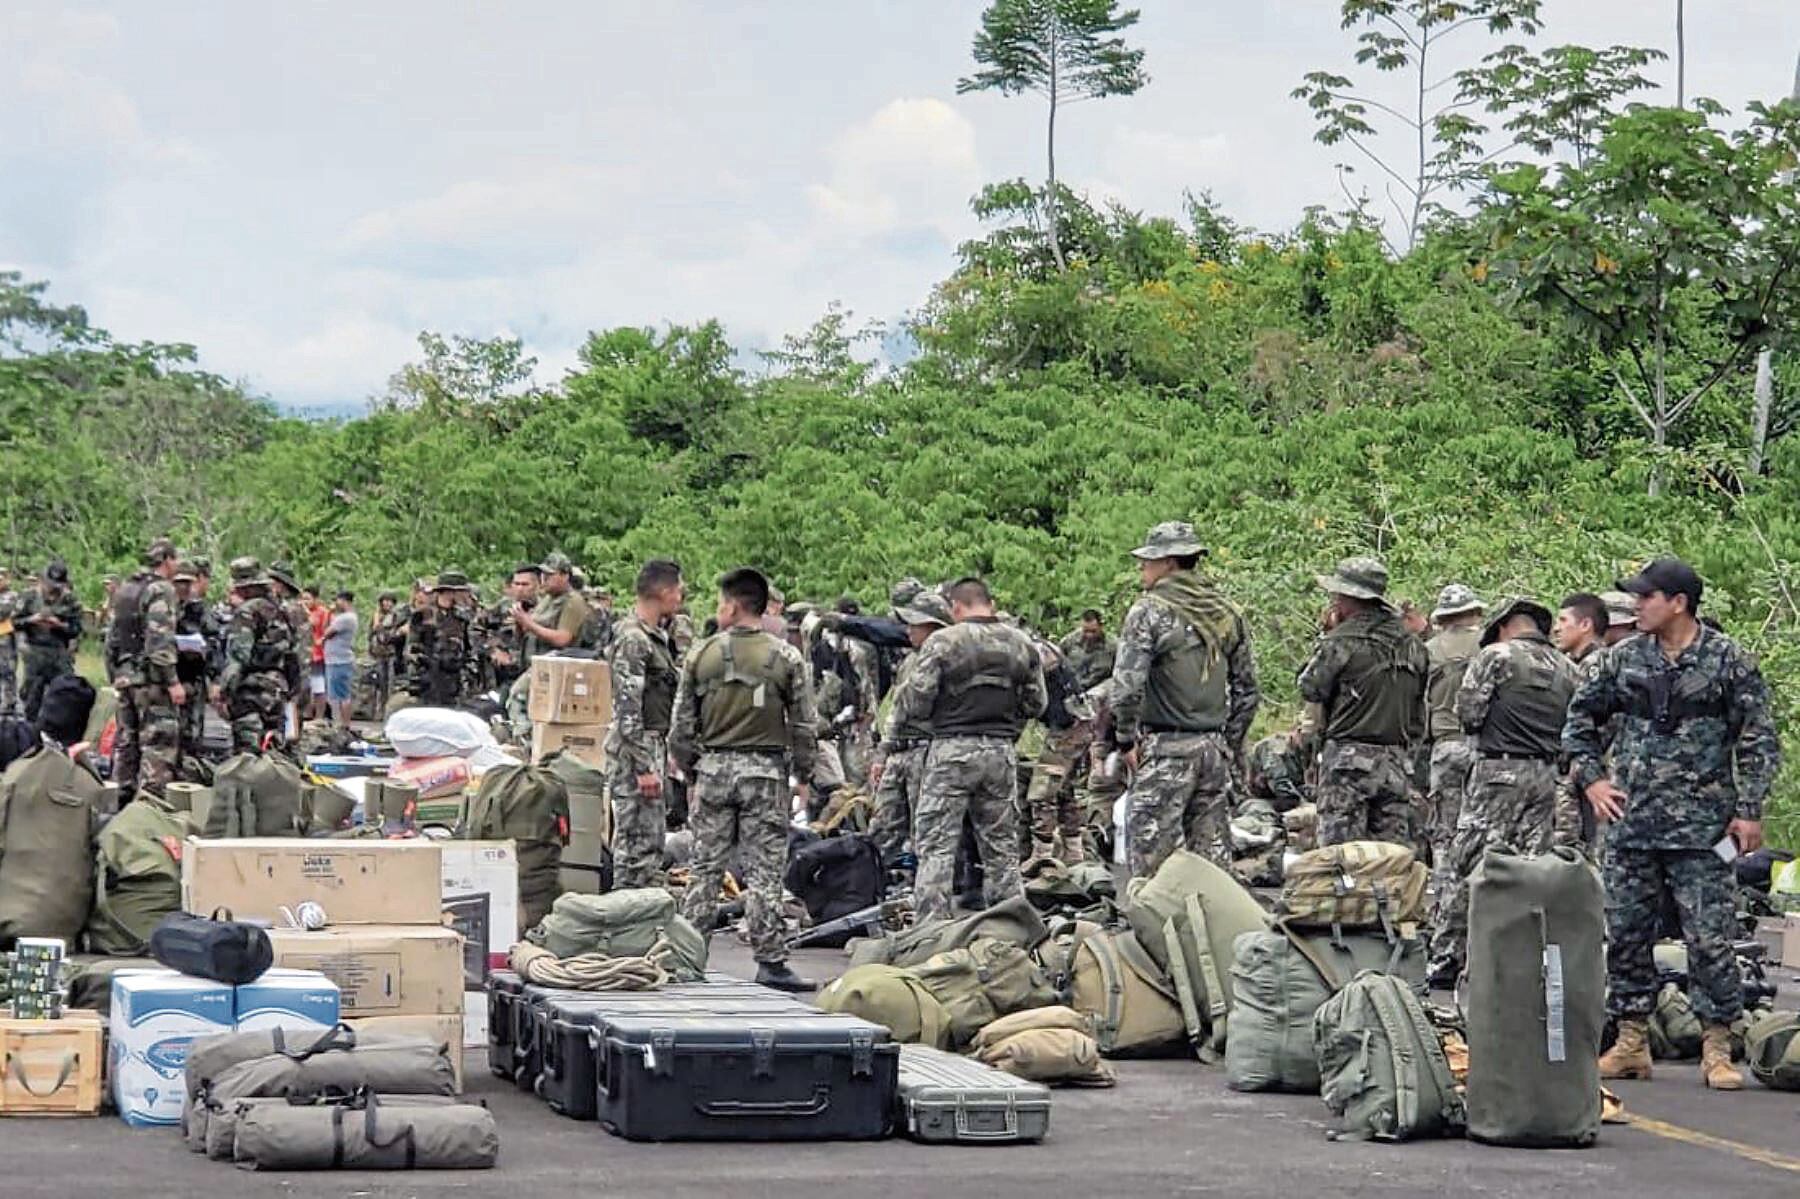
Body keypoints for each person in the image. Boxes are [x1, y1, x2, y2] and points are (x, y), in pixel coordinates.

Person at [1566, 557, 1780, 1091]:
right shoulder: (1623, 659)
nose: (1636, 605)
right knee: (1627, 935)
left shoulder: (1728, 660)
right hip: (1632, 822)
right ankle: (1632, 1041)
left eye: (1646, 597)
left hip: (1704, 829)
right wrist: (1593, 779)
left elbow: (1758, 738)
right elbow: (1579, 722)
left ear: (1678, 602)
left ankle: (1717, 1046)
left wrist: (1749, 810)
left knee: (1711, 937)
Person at [671, 568, 818, 992]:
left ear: (734, 606)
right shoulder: (787, 657)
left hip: (714, 771)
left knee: (704, 869)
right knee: (765, 871)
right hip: (766, 775)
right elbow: (805, 725)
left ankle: (688, 955)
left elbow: (681, 727)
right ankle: (770, 961)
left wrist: (692, 768)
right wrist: (803, 775)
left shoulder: (702, 655)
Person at [1428, 597, 1576, 986]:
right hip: (1546, 777)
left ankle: (1448, 958)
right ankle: (1517, 960)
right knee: (1530, 870)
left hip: (1497, 770)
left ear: (1508, 626)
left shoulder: (1497, 656)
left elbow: (1469, 712)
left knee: (1469, 862)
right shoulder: (1569, 668)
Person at [887, 576, 1047, 922]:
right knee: (1002, 849)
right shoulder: (1021, 643)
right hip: (1000, 751)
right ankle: (1014, 931)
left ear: (955, 607)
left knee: (936, 848)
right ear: (989, 602)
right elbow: (1037, 703)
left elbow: (916, 702)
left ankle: (932, 933)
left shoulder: (943, 642)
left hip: (951, 751)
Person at [1109, 522, 1259, 875]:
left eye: (1148, 561)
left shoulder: (1148, 611)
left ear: (1169, 563)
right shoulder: (1227, 611)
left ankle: (1161, 929)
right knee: (1212, 864)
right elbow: (1248, 689)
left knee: (1152, 863)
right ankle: (1216, 928)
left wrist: (1126, 739)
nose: (1142, 569)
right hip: (1213, 749)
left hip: (1166, 747)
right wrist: (1229, 742)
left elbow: (1127, 687)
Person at [1296, 557, 1427, 847]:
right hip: (1396, 763)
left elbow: (1310, 687)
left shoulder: (1340, 642)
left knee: (1340, 857)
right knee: (1390, 859)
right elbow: (1419, 714)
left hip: (1347, 763)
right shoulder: (1413, 646)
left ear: (1346, 598)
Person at [605, 559, 684, 889]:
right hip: (635, 748)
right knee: (635, 844)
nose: (681, 597)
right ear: (664, 592)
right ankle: (627, 914)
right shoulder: (634, 639)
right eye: (678, 590)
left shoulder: (654, 637)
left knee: (650, 841)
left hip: (651, 743)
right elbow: (628, 709)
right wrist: (642, 767)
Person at [1421, 583, 1483, 973]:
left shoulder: (1429, 651)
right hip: (1484, 750)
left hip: (1444, 746)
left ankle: (1445, 933)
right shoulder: (1490, 648)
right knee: (1479, 837)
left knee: (1444, 841)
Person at [867, 592, 952, 864]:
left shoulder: (946, 659)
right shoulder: (909, 660)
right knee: (882, 825)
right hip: (899, 750)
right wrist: (883, 754)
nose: (909, 630)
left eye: (916, 624)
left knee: (925, 827)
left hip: (927, 748)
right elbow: (896, 709)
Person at [106, 539, 186, 798]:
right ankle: (150, 806)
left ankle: (120, 802)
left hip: (124, 677)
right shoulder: (161, 590)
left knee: (126, 744)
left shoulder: (126, 590)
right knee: (158, 745)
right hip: (150, 682)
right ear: (167, 560)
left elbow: (112, 638)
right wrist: (172, 681)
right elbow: (159, 639)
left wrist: (115, 674)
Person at [1023, 633, 1096, 863]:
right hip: (1079, 723)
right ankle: (1074, 852)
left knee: (1042, 791)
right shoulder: (1044, 648)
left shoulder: (1035, 652)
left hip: (1068, 726)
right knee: (1066, 791)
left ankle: (1042, 855)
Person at [1550, 592, 1612, 848]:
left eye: (1564, 621)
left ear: (1585, 625)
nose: (1556, 628)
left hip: (1593, 779)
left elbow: (1601, 726)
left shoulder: (1597, 665)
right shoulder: (1575, 664)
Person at [216, 558, 294, 753]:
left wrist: (224, 693)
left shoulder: (247, 612)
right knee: (272, 748)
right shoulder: (279, 610)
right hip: (277, 688)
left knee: (248, 753)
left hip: (252, 692)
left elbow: (238, 656)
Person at [17, 560, 83, 724]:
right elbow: (13, 622)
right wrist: (31, 620)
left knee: (64, 694)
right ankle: (30, 732)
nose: (52, 589)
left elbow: (76, 629)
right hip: (35, 652)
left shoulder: (70, 601)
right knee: (32, 697)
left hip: (59, 653)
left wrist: (59, 624)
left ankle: (59, 731)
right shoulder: (29, 596)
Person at [409, 572, 478, 706]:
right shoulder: (423, 615)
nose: (464, 595)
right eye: (461, 591)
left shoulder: (462, 617)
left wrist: (467, 674)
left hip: (455, 681)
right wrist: (418, 676)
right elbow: (413, 649)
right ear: (449, 592)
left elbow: (469, 649)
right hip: (429, 679)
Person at [173, 560, 214, 761]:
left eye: (188, 583)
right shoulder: (164, 606)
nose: (184, 588)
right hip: (171, 676)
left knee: (192, 731)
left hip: (193, 675)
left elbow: (213, 639)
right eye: (179, 583)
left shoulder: (199, 610)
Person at [516, 552, 590, 663]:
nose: (544, 578)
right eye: (543, 574)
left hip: (555, 668)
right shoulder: (547, 599)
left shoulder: (573, 601)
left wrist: (529, 624)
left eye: (550, 574)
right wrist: (520, 620)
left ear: (565, 576)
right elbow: (530, 630)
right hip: (533, 664)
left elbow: (562, 639)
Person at [267, 562, 309, 737]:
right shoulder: (298, 607)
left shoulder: (287, 609)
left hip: (291, 668)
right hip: (299, 667)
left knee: (288, 717)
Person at [322, 592, 358, 727]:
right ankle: (341, 723)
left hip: (340, 660)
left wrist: (329, 613)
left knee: (342, 695)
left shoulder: (346, 618)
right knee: (336, 694)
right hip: (334, 659)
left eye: (337, 601)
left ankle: (344, 724)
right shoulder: (342, 617)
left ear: (343, 601)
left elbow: (327, 632)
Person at [1060, 609, 1117, 692]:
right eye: (1086, 631)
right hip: (1072, 690)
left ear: (1101, 626)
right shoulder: (1069, 641)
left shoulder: (1113, 646)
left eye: (1093, 631)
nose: (1089, 635)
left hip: (1100, 692)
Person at [368, 591, 404, 714]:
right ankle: (379, 708)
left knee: (390, 681)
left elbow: (397, 635)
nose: (387, 603)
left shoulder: (396, 616)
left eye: (390, 601)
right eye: (385, 601)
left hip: (391, 652)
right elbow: (371, 633)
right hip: (378, 652)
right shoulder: (376, 615)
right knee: (379, 682)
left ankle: (389, 708)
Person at [302, 585, 330, 720]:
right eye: (303, 599)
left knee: (319, 686)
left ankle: (319, 716)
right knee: (305, 686)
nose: (305, 602)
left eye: (308, 599)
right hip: (304, 653)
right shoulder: (300, 611)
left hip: (318, 654)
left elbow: (323, 630)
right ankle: (307, 713)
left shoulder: (322, 612)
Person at [0, 567, 19, 717]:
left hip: (5, 638)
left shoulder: (11, 596)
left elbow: (3, 611)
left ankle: (10, 701)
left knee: (7, 671)